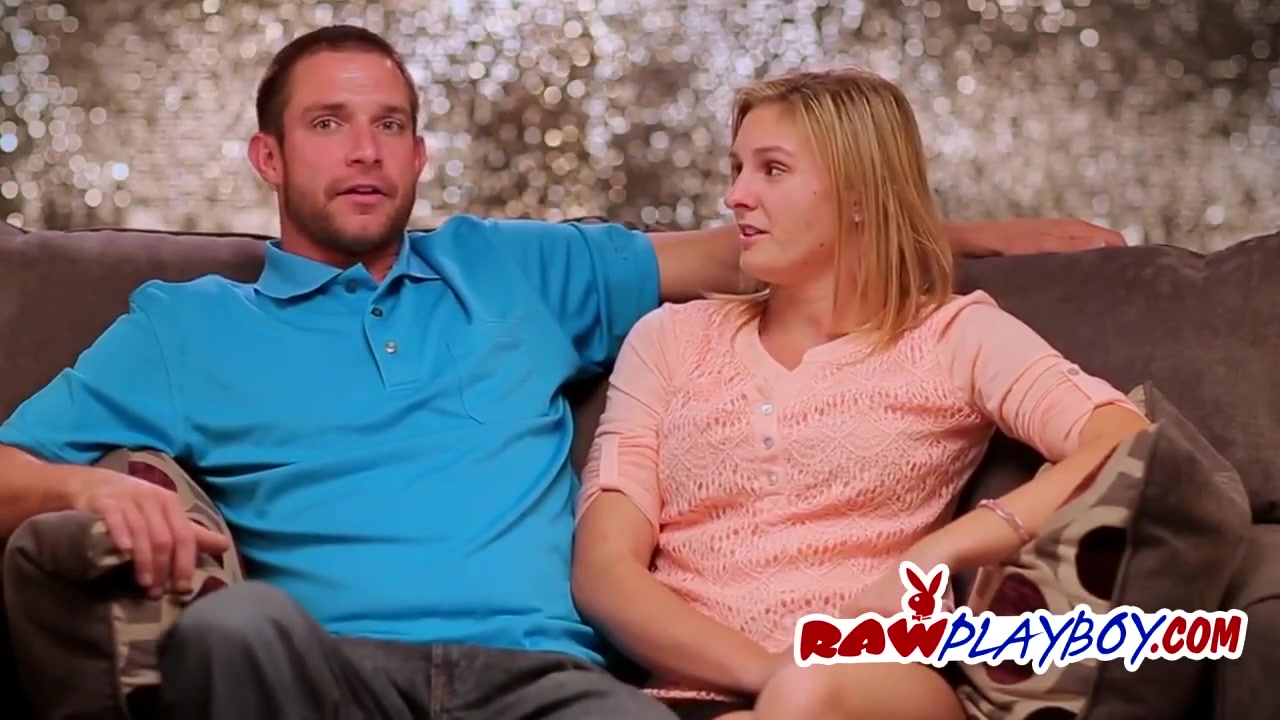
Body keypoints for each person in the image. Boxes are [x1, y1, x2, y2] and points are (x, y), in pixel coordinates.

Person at [0, 26, 1121, 720]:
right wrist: (82, 485)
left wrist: (960, 234)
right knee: (229, 634)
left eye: (390, 125)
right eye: (329, 123)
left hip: (545, 683)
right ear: (268, 156)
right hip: (333, 669)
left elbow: (750, 247)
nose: (365, 150)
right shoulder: (186, 327)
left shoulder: (511, 268)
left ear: (420, 155)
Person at [569, 68, 1150, 720]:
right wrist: (767, 673)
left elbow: (1125, 441)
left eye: (772, 170)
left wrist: (943, 551)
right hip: (690, 697)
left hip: (877, 685)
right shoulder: (669, 339)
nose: (735, 196)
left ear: (858, 195)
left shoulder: (953, 335)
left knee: (809, 691)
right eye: (737, 168)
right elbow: (603, 570)